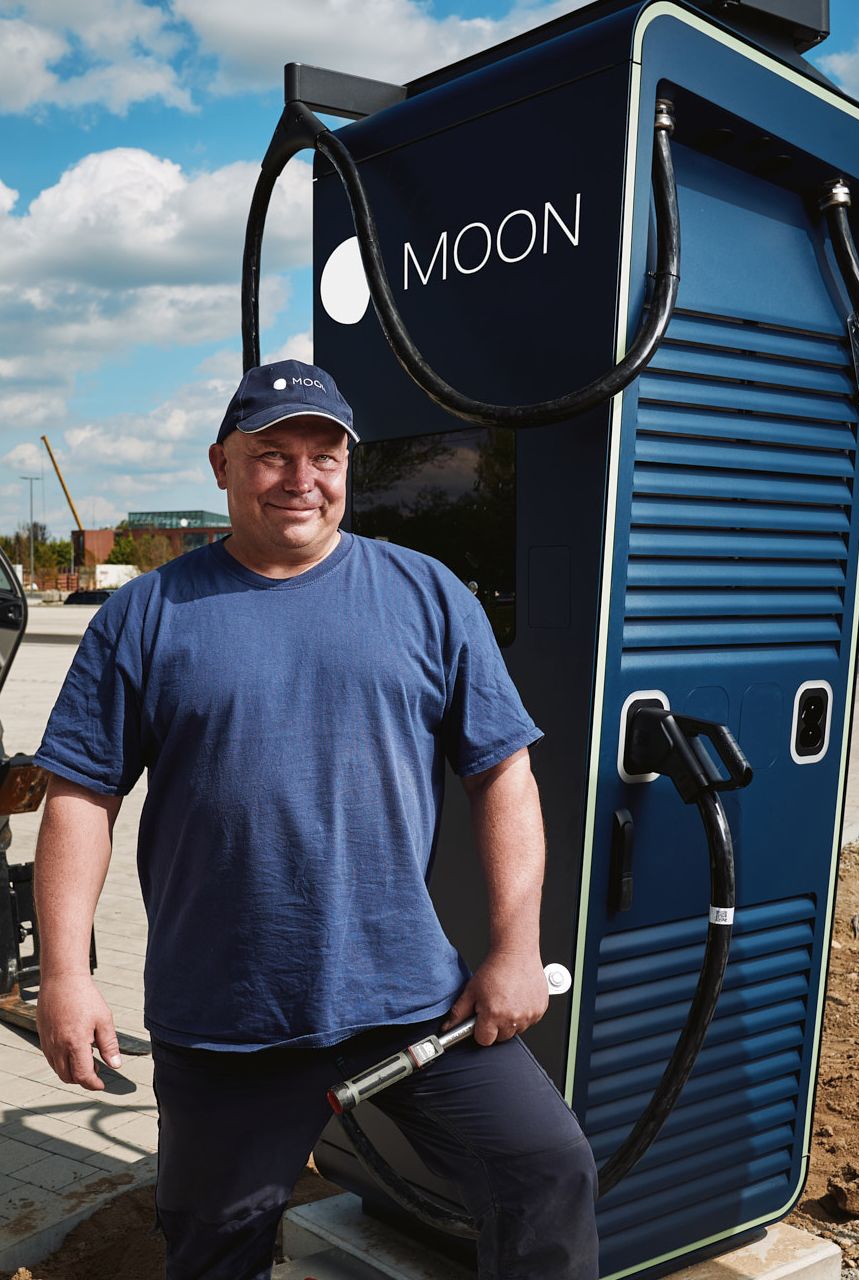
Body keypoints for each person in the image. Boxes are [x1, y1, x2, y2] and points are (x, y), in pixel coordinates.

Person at [32, 359, 599, 1280]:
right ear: (221, 464)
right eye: (271, 454)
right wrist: (66, 974)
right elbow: (82, 796)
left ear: (348, 466)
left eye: (323, 454)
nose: (301, 477)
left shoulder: (427, 595)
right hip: (226, 1018)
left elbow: (505, 774)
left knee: (545, 1171)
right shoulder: (145, 615)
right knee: (218, 1247)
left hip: (412, 1004)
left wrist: (513, 948)